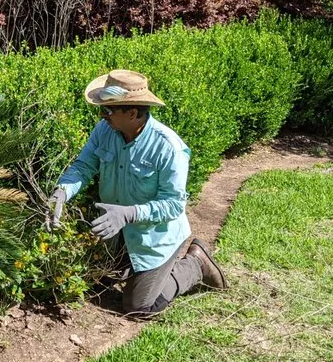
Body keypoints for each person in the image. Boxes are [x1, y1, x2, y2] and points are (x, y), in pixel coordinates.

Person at [47, 69, 226, 316]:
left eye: (108, 110)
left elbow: (174, 205)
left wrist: (129, 214)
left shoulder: (168, 147)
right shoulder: (104, 130)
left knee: (138, 306)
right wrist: (62, 191)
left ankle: (196, 263)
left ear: (132, 113)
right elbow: (83, 166)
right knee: (93, 282)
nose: (102, 115)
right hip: (117, 233)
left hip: (154, 239)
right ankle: (128, 267)